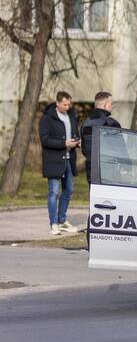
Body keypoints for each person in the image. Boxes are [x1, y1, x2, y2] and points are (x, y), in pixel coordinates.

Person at [38, 91, 80, 235]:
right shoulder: (46, 118)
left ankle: (62, 220)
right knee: (53, 192)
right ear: (57, 103)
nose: (67, 107)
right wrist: (64, 143)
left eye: (69, 104)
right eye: (64, 104)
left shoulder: (71, 115)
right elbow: (45, 140)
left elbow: (74, 133)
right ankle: (54, 223)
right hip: (53, 160)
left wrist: (76, 141)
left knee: (68, 190)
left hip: (69, 159)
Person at [80, 91, 121, 183]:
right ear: (106, 105)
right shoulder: (111, 124)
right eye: (111, 104)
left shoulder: (85, 123)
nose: (112, 106)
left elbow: (84, 149)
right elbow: (120, 149)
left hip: (91, 170)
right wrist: (127, 167)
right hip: (109, 171)